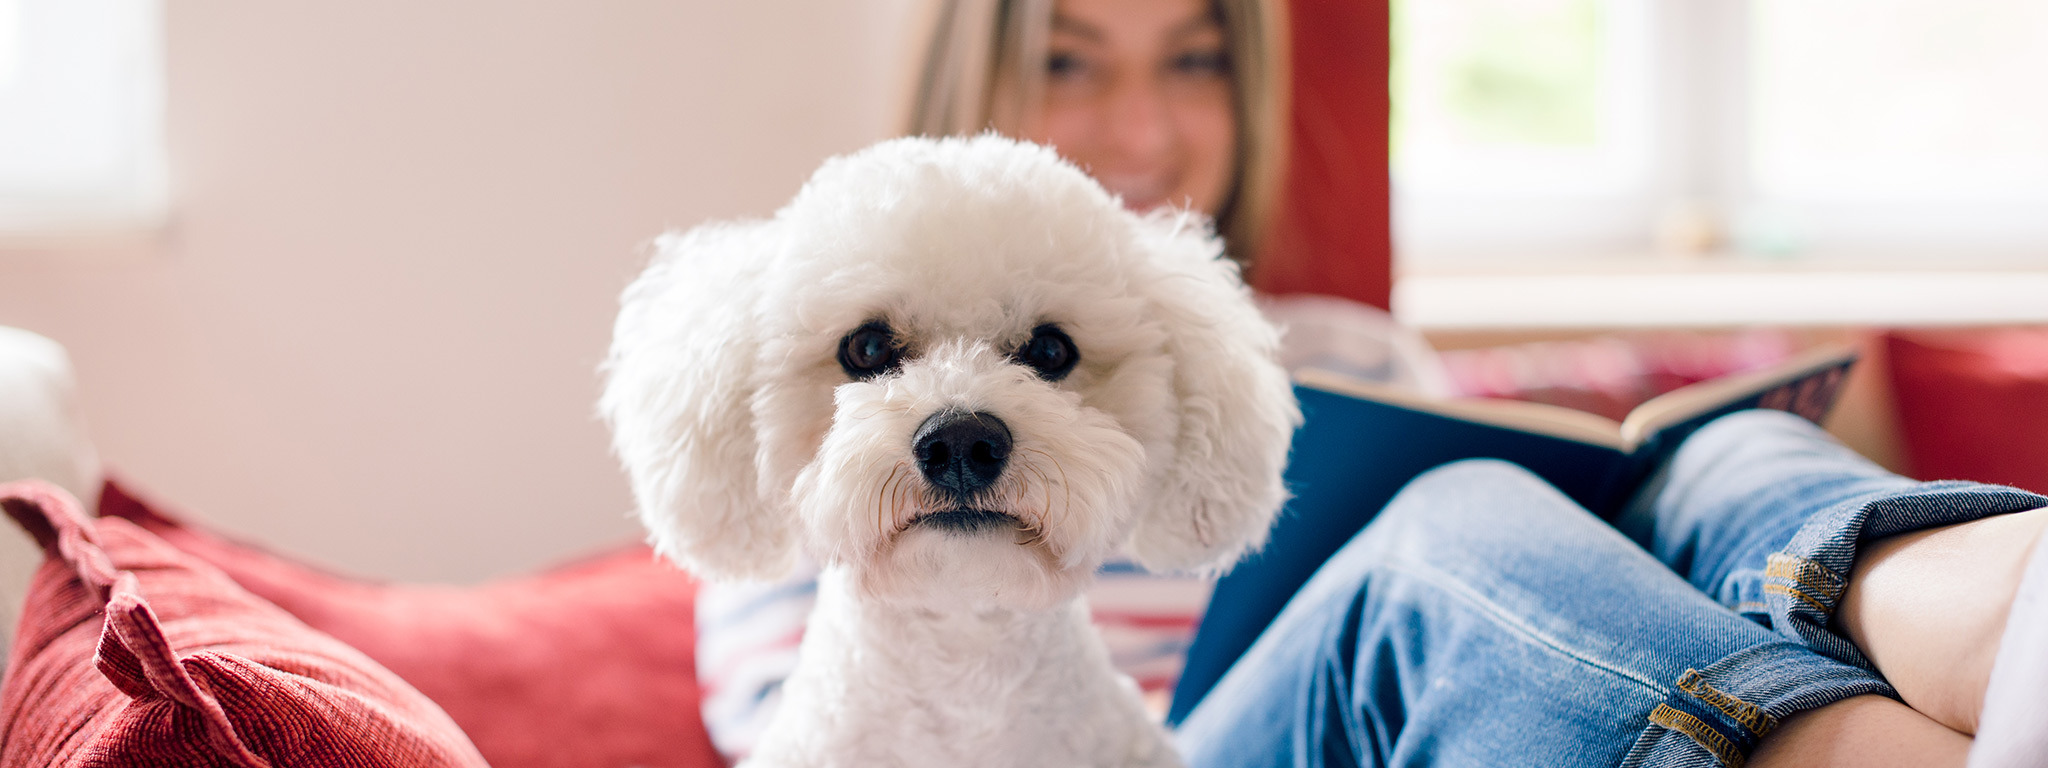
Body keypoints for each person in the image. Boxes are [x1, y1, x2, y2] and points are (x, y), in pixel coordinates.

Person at [695, 1, 2048, 765]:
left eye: (1193, 60)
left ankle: (2019, 613)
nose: (1147, 128)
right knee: (1444, 548)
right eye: (1071, 59)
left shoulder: (1332, 353)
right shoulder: (816, 393)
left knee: (1723, 459)